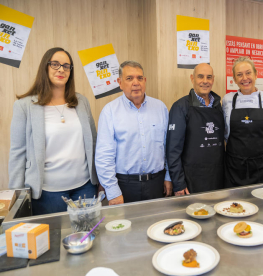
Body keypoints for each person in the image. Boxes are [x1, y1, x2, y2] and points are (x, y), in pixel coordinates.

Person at [8, 47, 98, 215]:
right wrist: (17, 196)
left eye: (66, 66)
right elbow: (17, 153)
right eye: (55, 64)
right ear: (45, 67)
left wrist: (100, 181)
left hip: (85, 188)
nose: (61, 69)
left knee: (87, 238)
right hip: (47, 194)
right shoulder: (25, 106)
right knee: (53, 240)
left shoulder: (81, 102)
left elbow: (93, 142)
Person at [95, 61, 172, 205]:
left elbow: (168, 147)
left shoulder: (160, 108)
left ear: (145, 81)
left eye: (140, 78)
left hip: (157, 183)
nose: (136, 83)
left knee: (157, 225)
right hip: (124, 185)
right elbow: (104, 156)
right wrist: (112, 191)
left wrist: (169, 176)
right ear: (120, 82)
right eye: (129, 78)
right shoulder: (110, 111)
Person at [166, 63, 224, 196]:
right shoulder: (180, 107)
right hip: (190, 181)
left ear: (213, 80)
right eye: (200, 77)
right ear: (192, 78)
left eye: (209, 77)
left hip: (217, 178)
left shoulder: (218, 106)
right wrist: (178, 183)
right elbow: (173, 150)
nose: (205, 81)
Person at [223, 56, 263, 187]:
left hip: (261, 164)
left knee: (261, 203)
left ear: (256, 74)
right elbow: (225, 132)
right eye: (239, 74)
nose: (244, 78)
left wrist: (258, 151)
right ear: (234, 79)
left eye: (248, 73)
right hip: (234, 164)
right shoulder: (227, 100)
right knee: (233, 203)